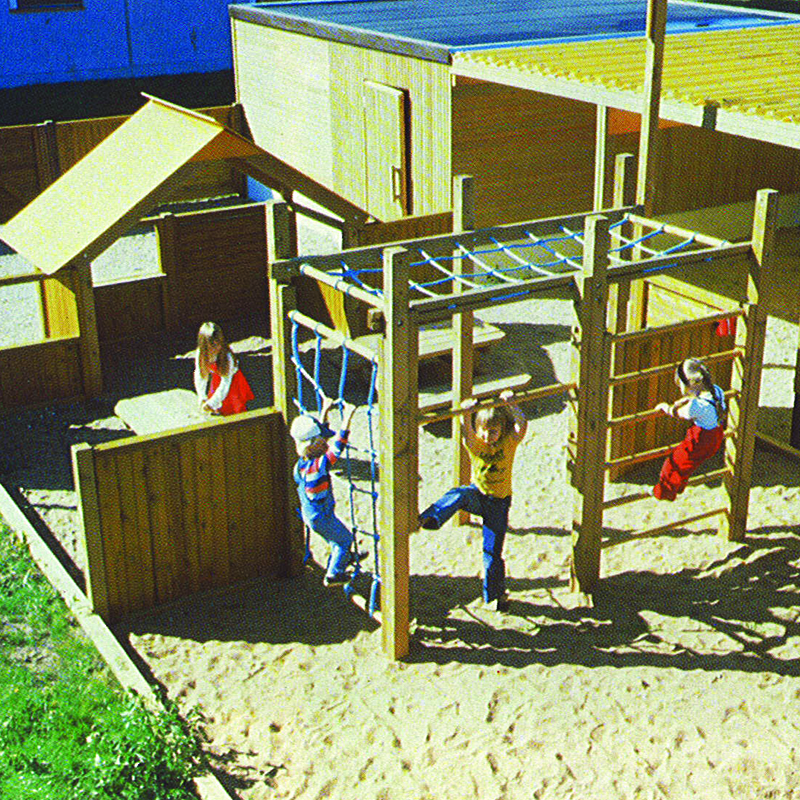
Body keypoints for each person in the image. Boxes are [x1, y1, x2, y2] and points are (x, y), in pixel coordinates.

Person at [418, 389, 527, 612]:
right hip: (478, 496)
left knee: (492, 552)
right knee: (458, 493)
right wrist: (466, 414)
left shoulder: (508, 443)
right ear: (478, 430)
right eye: (484, 431)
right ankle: (432, 517)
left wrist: (512, 405)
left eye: (494, 431)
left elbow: (521, 426)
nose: (488, 436)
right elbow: (465, 432)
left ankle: (494, 597)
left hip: (499, 504)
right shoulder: (476, 444)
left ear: (502, 430)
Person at [291, 398, 357, 587]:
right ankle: (333, 574)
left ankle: (346, 557)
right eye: (321, 442)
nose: (325, 443)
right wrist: (348, 417)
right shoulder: (317, 468)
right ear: (312, 446)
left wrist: (325, 410)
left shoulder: (302, 464)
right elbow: (337, 448)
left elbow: (321, 436)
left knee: (337, 538)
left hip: (311, 514)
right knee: (345, 539)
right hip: (321, 516)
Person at [652, 357, 727, 501]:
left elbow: (677, 413)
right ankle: (678, 487)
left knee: (673, 464)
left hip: (701, 439)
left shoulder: (696, 406)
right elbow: (700, 403)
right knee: (687, 463)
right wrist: (686, 400)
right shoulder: (716, 390)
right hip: (717, 434)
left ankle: (664, 493)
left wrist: (665, 407)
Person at [194, 321, 254, 416]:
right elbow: (200, 375)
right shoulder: (200, 354)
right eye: (212, 346)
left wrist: (212, 402)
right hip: (217, 380)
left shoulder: (227, 357)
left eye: (218, 344)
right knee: (218, 409)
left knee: (235, 410)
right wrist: (202, 396)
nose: (217, 348)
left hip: (232, 383)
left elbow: (225, 383)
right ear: (204, 346)